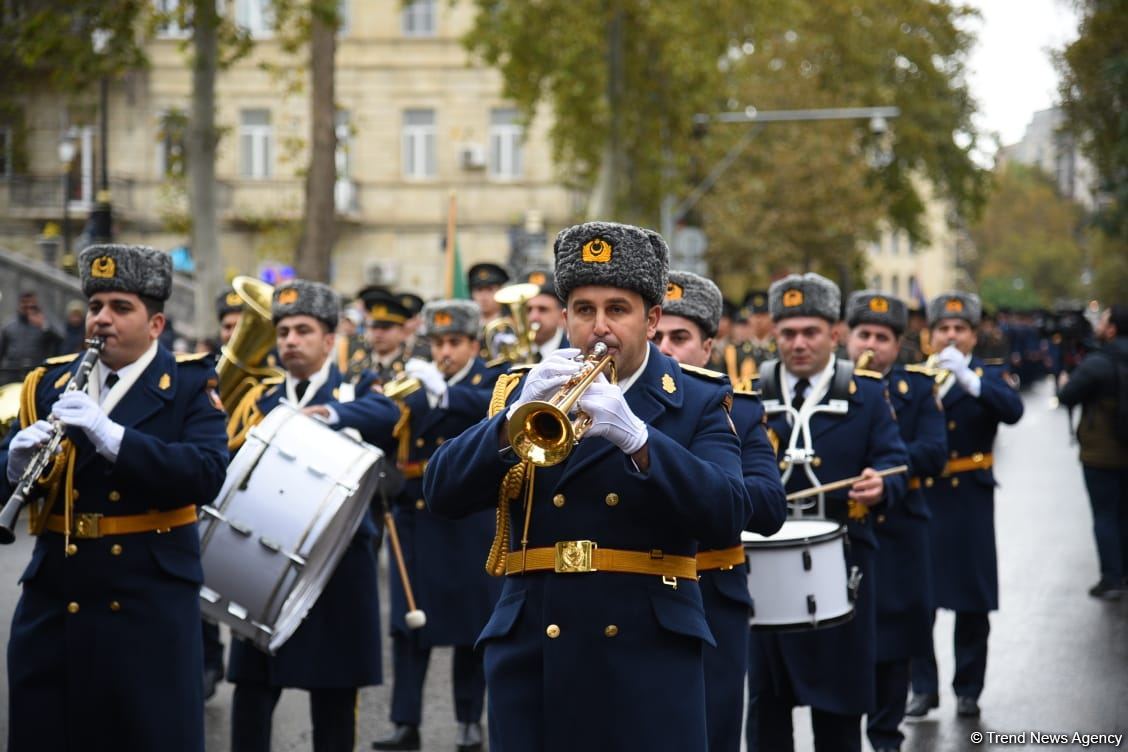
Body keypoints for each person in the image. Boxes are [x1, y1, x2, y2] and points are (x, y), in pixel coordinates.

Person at [423, 221, 750, 751]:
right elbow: (442, 492)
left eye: (617, 310)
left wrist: (639, 439)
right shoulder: (521, 389)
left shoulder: (695, 398)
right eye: (583, 310)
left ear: (652, 319)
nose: (599, 328)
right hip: (536, 651)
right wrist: (510, 418)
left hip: (647, 654)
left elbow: (727, 511)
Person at [1, 244, 229, 751]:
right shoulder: (49, 383)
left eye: (121, 308)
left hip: (146, 603)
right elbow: (10, 475)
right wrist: (13, 466)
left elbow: (207, 473)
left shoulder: (190, 385)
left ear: (156, 324)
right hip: (56, 599)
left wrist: (113, 437)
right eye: (97, 305)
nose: (102, 319)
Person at [225, 280, 400, 752]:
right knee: (253, 692)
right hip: (262, 562)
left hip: (338, 566)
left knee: (335, 698)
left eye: (303, 330)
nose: (290, 341)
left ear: (329, 340)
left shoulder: (356, 388)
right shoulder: (258, 400)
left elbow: (385, 414)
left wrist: (328, 415)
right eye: (283, 331)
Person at [747, 273, 908, 752]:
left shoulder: (867, 394)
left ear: (834, 334)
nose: (798, 344)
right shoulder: (748, 394)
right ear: (774, 334)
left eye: (810, 332)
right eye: (788, 332)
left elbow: (895, 461)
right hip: (765, 566)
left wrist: (883, 484)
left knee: (839, 707)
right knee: (765, 704)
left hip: (844, 562)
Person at [655, 270, 787, 752]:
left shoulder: (740, 409)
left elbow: (770, 508)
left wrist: (703, 479)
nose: (666, 348)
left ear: (708, 347)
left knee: (713, 734)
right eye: (658, 335)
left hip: (713, 596)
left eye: (681, 338)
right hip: (635, 597)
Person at [372, 300, 503, 752]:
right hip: (414, 513)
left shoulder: (491, 380)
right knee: (410, 627)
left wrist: (443, 395)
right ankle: (405, 721)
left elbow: (493, 410)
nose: (445, 352)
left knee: (472, 626)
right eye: (439, 343)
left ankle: (469, 720)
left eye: (455, 343)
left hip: (468, 517)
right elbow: (385, 423)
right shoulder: (413, 382)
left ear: (473, 344)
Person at [907, 291, 1024, 720]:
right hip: (927, 495)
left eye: (960, 329)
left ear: (974, 336)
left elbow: (1012, 412)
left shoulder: (988, 376)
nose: (951, 336)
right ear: (930, 335)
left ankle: (968, 688)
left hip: (970, 496)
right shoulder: (917, 379)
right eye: (943, 329)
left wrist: (971, 382)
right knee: (919, 598)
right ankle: (922, 688)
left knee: (972, 600)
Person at [844, 291, 948, 752]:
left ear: (898, 343)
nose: (872, 344)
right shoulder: (831, 387)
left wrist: (885, 466)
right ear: (846, 337)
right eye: (863, 334)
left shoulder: (919, 388)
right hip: (845, 529)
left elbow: (934, 452)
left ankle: (886, 735)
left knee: (896, 636)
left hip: (900, 527)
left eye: (882, 337)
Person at [1057, 304, 1128, 598]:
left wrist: (1063, 383)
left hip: (1103, 454)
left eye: (1104, 320)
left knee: (1105, 515)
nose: (1099, 325)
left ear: (1112, 329)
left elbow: (1067, 395)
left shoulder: (1099, 362)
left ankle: (1112, 578)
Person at [0, 290, 64, 382]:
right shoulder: (9, 326)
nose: (28, 309)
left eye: (31, 306)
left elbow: (61, 340)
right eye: (25, 305)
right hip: (12, 373)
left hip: (36, 373)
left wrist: (44, 326)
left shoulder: (45, 323)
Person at [359, 287, 412, 386]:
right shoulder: (358, 364)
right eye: (374, 327)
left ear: (401, 332)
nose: (378, 334)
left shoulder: (411, 368)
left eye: (386, 328)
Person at [522, 269, 569, 359]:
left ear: (561, 316)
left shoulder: (574, 353)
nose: (533, 317)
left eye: (543, 309)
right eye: (528, 310)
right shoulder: (511, 356)